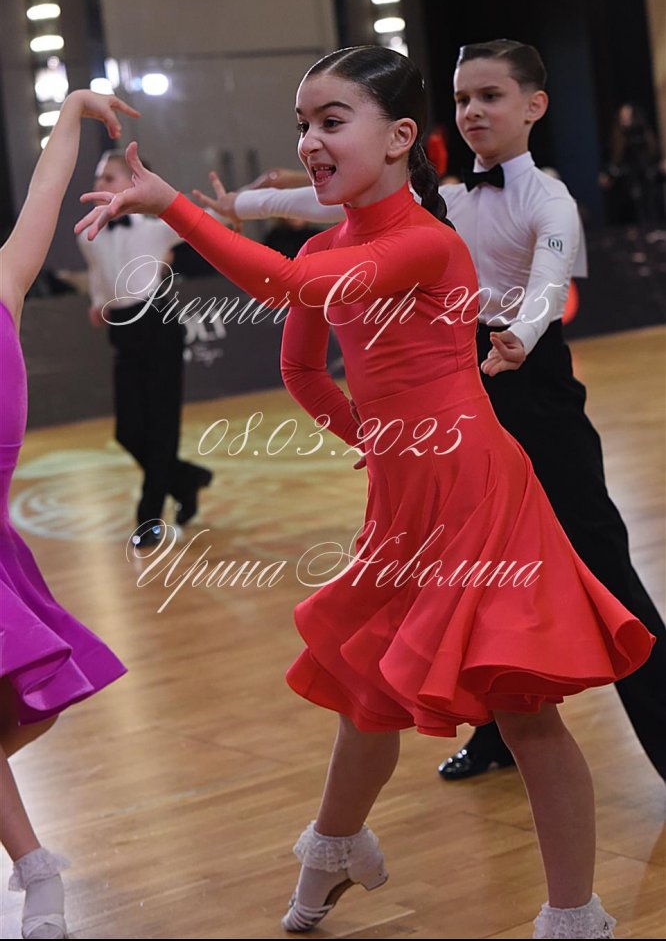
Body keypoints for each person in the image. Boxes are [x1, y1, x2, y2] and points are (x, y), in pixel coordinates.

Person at [76, 45, 655, 939]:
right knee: (363, 686)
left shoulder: (426, 242)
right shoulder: (325, 240)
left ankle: (575, 915)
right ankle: (336, 845)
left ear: (398, 138)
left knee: (524, 710)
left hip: (476, 493)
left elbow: (288, 286)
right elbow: (302, 370)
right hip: (402, 499)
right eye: (302, 124)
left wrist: (174, 207)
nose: (309, 140)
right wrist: (372, 437)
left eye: (331, 121)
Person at [193, 39, 666, 786]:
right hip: (451, 386)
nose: (472, 111)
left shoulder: (549, 198)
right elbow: (320, 205)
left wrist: (523, 335)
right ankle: (495, 733)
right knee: (465, 584)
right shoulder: (442, 195)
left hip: (529, 383)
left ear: (535, 106)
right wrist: (245, 204)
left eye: (490, 96)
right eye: (463, 97)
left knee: (602, 568)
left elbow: (549, 281)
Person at [1, 90, 131, 940]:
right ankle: (36, 866)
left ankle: (37, 867)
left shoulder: (5, 280)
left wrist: (72, 114)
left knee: (25, 706)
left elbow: (45, 192)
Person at [77, 151, 213, 548]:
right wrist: (98, 302)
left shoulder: (154, 226)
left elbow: (201, 224)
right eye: (98, 177)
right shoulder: (87, 232)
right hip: (123, 330)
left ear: (132, 183)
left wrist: (231, 208)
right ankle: (186, 480)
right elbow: (98, 275)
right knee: (128, 431)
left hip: (158, 324)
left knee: (161, 429)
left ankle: (149, 518)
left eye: (109, 177)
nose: (100, 184)